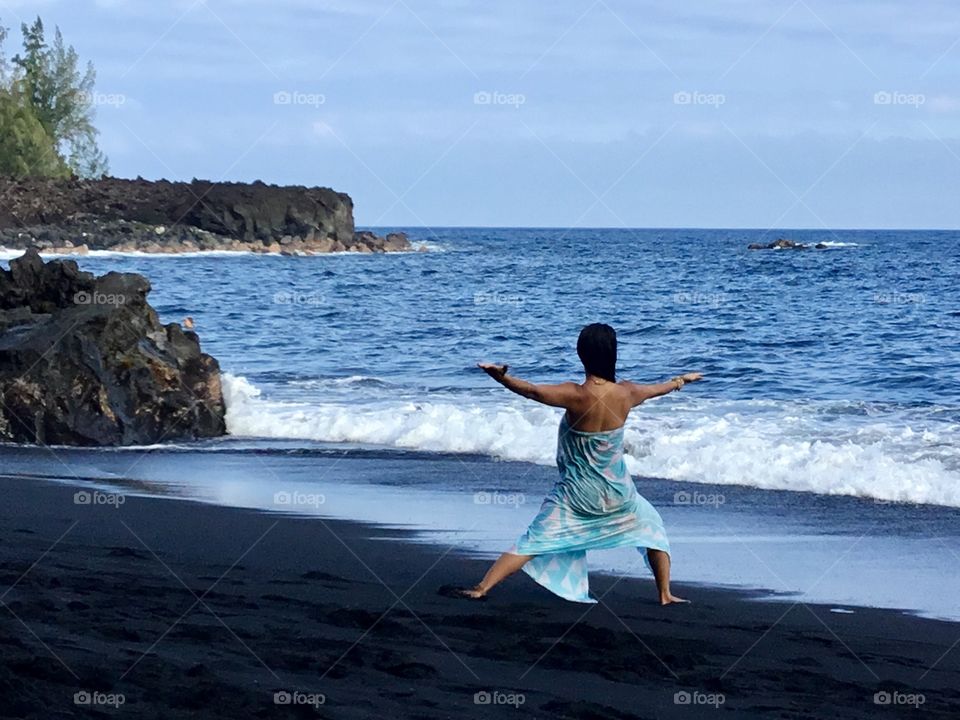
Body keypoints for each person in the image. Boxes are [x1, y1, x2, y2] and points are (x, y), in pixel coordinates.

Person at [456, 323, 702, 605]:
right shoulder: (627, 393)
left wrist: (501, 378)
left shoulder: (577, 395)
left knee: (534, 540)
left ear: (581, 355)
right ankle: (665, 594)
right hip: (618, 495)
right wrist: (681, 380)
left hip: (575, 496)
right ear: (613, 355)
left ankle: (482, 587)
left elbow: (533, 392)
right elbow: (657, 389)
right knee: (653, 529)